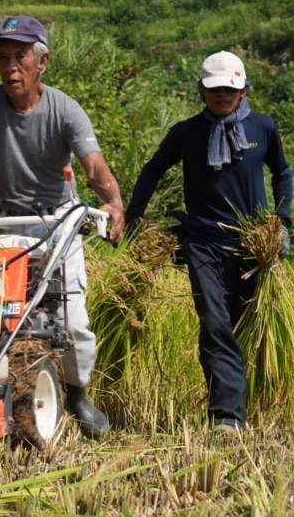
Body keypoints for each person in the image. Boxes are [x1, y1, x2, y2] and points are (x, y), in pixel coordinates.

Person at [0, 15, 125, 439]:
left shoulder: (64, 109)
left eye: (19, 57)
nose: (9, 67)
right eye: (2, 57)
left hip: (56, 221)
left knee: (72, 319)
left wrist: (113, 203)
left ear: (42, 62)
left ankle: (77, 392)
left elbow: (93, 165)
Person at [125, 50, 292, 434]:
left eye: (229, 89)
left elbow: (282, 174)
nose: (222, 95)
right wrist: (134, 217)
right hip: (202, 241)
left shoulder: (263, 129)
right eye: (214, 88)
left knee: (234, 327)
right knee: (215, 324)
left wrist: (282, 223)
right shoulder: (186, 133)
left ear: (244, 89)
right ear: (201, 91)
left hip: (253, 247)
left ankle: (236, 401)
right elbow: (152, 171)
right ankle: (227, 418)